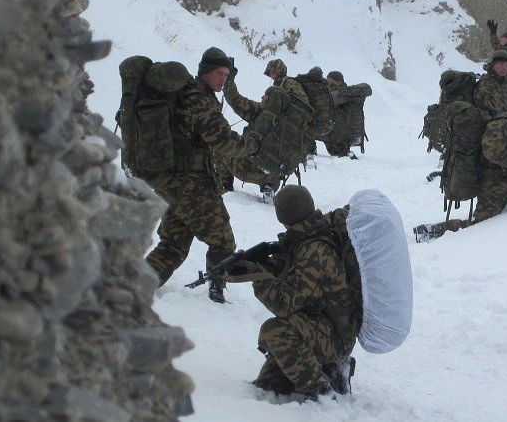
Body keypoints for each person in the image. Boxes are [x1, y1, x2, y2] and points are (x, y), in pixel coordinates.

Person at [145, 47, 260, 304]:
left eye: (227, 74)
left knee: (174, 243)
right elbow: (223, 141)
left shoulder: (191, 94)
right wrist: (251, 145)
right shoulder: (198, 99)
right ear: (205, 71)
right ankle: (216, 295)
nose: (223, 79)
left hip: (171, 182)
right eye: (218, 73)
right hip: (191, 184)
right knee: (223, 241)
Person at [227, 185, 360, 400]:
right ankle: (331, 370)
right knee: (270, 385)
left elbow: (284, 304)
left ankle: (322, 390)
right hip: (317, 323)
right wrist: (266, 265)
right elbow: (293, 278)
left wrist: (258, 278)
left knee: (276, 331)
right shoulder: (308, 234)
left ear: (282, 215)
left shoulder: (315, 250)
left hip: (335, 335)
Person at [413, 87, 507, 242]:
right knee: (480, 225)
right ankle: (433, 231)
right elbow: (491, 151)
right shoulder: (505, 123)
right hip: (494, 182)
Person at [217, 58, 310, 202]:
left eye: (265, 95)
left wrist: (229, 81)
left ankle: (225, 186)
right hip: (276, 173)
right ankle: (270, 187)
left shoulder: (261, 112)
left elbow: (235, 100)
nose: (262, 96)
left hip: (250, 169)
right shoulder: (293, 123)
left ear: (272, 100)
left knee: (219, 147)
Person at [473, 49, 507, 117]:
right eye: (501, 64)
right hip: (487, 123)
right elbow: (495, 105)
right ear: (493, 64)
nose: (505, 68)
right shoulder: (485, 83)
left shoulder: (504, 82)